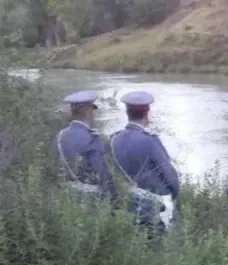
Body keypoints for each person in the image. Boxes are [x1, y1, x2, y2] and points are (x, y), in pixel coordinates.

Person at [109, 91, 180, 234]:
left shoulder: (115, 139)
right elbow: (168, 172)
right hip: (157, 202)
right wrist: (175, 192)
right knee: (166, 239)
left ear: (127, 113)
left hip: (131, 199)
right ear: (147, 113)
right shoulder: (149, 140)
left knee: (138, 236)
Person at [55, 90, 116, 201]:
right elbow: (101, 172)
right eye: (92, 110)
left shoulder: (61, 135)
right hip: (90, 197)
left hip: (67, 194)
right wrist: (113, 198)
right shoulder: (92, 138)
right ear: (88, 112)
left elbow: (55, 164)